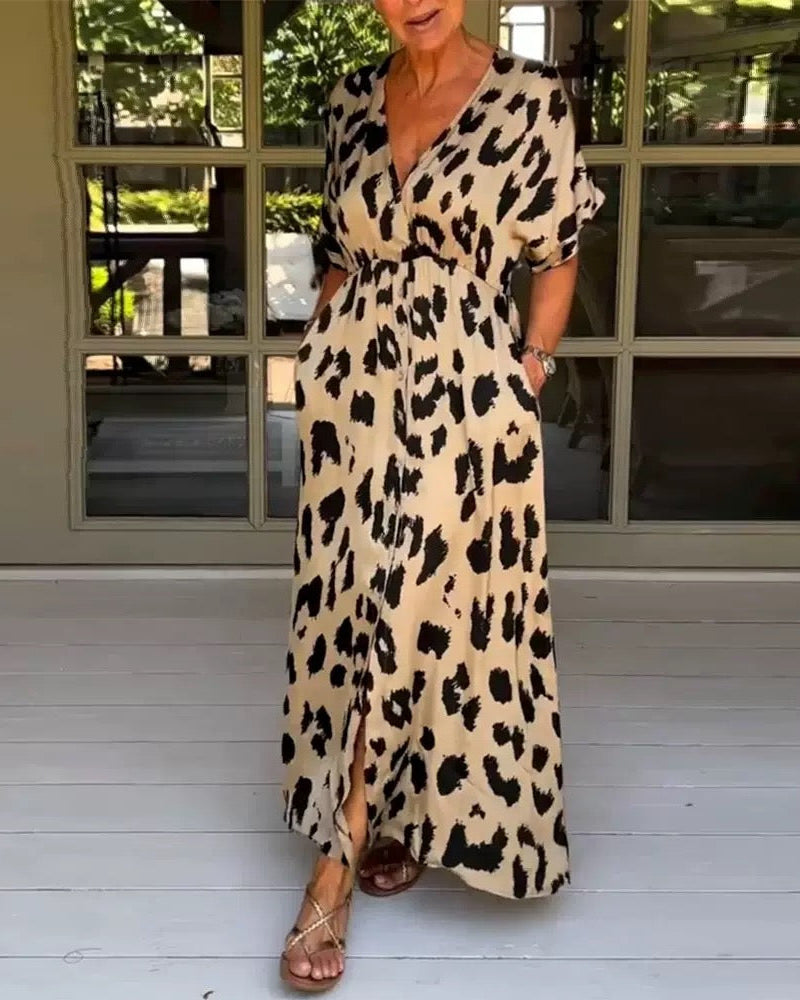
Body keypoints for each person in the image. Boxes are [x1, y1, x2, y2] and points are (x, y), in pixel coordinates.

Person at [280, 0, 605, 991]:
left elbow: (555, 251)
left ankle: (334, 866)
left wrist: (527, 370)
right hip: (353, 396)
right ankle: (399, 814)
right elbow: (339, 254)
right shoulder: (350, 102)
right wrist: (320, 352)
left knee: (421, 603)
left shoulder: (528, 98)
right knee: (358, 604)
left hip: (466, 398)